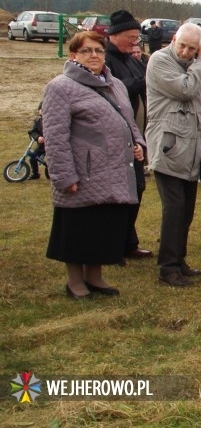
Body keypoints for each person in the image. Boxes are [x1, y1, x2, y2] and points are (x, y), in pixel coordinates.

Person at [43, 31, 146, 299]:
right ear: (73, 55)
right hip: (82, 172)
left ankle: (95, 276)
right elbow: (55, 136)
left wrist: (138, 144)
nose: (94, 56)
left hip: (113, 170)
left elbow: (129, 120)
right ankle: (75, 281)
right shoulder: (60, 87)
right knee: (78, 227)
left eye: (99, 51)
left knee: (102, 226)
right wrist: (65, 176)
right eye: (87, 51)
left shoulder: (115, 84)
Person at [147, 22, 201, 287]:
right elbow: (185, 89)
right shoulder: (159, 61)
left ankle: (179, 260)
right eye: (183, 46)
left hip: (194, 149)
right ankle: (168, 268)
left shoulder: (196, 68)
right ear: (174, 39)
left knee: (186, 210)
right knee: (174, 208)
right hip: (168, 148)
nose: (186, 52)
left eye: (192, 48)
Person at [104, 10, 153, 261]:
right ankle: (114, 244)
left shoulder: (130, 58)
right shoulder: (106, 59)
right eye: (131, 36)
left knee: (137, 188)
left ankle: (128, 242)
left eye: (137, 36)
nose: (135, 41)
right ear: (115, 35)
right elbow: (117, 88)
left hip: (137, 136)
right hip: (116, 138)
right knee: (121, 192)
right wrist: (143, 80)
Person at [26, 103, 46, 179]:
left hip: (52, 145)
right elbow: (32, 132)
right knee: (32, 158)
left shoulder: (53, 120)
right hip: (41, 145)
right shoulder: (37, 121)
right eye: (41, 109)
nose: (42, 111)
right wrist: (38, 137)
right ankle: (35, 174)